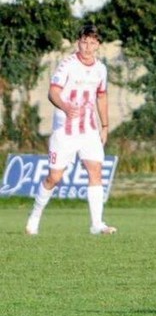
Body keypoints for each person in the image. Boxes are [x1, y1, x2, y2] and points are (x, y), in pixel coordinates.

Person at [25, 23, 117, 236]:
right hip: (65, 131)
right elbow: (53, 92)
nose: (87, 47)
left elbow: (101, 96)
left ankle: (97, 224)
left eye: (92, 43)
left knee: (95, 171)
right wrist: (66, 107)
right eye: (84, 42)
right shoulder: (67, 64)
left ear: (98, 45)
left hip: (89, 130)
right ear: (78, 43)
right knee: (54, 177)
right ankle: (35, 215)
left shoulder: (101, 69)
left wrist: (104, 126)